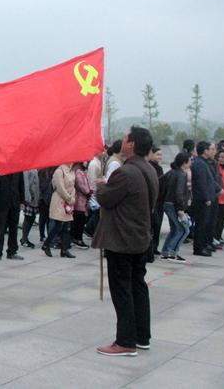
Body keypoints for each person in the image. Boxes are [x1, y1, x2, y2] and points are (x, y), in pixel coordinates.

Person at [93, 126, 158, 357]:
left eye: (125, 137)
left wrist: (101, 185)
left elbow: (106, 198)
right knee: (138, 286)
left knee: (122, 290)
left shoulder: (125, 172)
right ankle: (141, 336)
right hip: (140, 237)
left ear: (131, 144)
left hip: (122, 240)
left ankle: (125, 341)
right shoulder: (148, 169)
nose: (122, 140)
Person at [0, 159, 24, 261]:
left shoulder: (18, 166)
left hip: (14, 201)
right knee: (0, 227)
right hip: (1, 201)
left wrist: (22, 201)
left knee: (13, 227)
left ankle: (12, 251)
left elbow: (21, 184)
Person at [160, 152, 191, 262]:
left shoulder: (171, 172)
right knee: (182, 229)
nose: (190, 163)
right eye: (189, 161)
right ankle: (172, 252)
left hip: (167, 203)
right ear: (184, 162)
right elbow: (179, 193)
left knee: (175, 229)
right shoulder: (181, 174)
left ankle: (166, 251)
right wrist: (180, 209)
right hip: (174, 205)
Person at [190, 141, 219, 257]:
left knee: (205, 224)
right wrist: (207, 198)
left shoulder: (204, 162)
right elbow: (201, 183)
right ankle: (198, 248)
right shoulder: (199, 163)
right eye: (209, 149)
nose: (211, 151)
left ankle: (203, 245)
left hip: (207, 198)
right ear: (205, 151)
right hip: (202, 200)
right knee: (201, 224)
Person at [42, 163, 76, 258]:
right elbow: (60, 187)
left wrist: (72, 197)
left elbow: (73, 186)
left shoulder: (71, 171)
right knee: (58, 225)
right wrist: (68, 198)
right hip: (59, 201)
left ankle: (64, 249)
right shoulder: (59, 171)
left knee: (66, 226)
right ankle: (47, 244)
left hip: (68, 201)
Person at [71, 162, 92, 249]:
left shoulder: (82, 172)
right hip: (80, 199)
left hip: (82, 199)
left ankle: (76, 238)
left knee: (79, 220)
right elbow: (81, 185)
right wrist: (88, 192)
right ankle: (78, 239)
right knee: (80, 220)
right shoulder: (78, 172)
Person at [20, 169, 39, 249]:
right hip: (30, 198)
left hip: (34, 197)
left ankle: (25, 238)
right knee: (28, 218)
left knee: (31, 217)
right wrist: (27, 197)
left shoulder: (33, 168)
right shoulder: (27, 169)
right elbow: (26, 183)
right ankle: (24, 239)